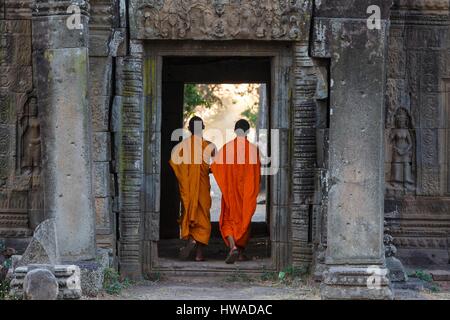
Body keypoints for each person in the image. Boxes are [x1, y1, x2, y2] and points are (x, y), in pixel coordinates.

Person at [211, 119, 261, 264]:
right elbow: (257, 174)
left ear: (235, 131)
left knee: (228, 221)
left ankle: (233, 247)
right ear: (248, 132)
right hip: (245, 194)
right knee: (244, 219)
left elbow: (215, 168)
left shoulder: (227, 148)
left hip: (230, 193)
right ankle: (240, 253)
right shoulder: (252, 150)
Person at [169, 116, 216, 261]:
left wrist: (186, 176)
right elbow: (216, 165)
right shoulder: (209, 146)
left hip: (189, 189)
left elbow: (175, 164)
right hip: (202, 188)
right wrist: (207, 170)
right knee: (203, 216)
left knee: (189, 212)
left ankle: (191, 240)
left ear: (189, 129)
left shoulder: (182, 147)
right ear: (203, 127)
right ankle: (199, 254)